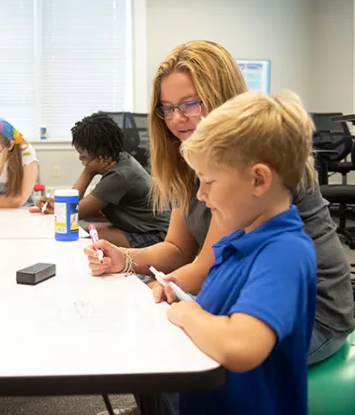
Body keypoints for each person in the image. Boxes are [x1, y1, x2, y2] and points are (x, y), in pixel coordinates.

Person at [86, 40, 354, 365]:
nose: (176, 119)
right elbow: (176, 248)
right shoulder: (196, 160)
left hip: (312, 312)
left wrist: (172, 295)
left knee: (176, 344)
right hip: (248, 292)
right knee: (162, 322)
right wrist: (124, 259)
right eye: (167, 108)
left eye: (189, 104)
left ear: (220, 98)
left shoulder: (247, 164)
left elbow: (206, 267)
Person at [174, 91, 316, 413]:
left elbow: (240, 344)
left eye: (209, 181)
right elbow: (226, 311)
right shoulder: (240, 241)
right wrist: (183, 299)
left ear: (258, 179)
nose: (200, 193)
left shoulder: (285, 253)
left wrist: (188, 314)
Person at [36, 112, 169, 248]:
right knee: (87, 231)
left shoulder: (119, 175)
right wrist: (59, 206)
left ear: (101, 154)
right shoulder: (122, 159)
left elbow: (72, 215)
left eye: (83, 156)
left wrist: (88, 172)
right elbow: (79, 209)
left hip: (155, 235)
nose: (80, 160)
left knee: (87, 240)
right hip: (143, 228)